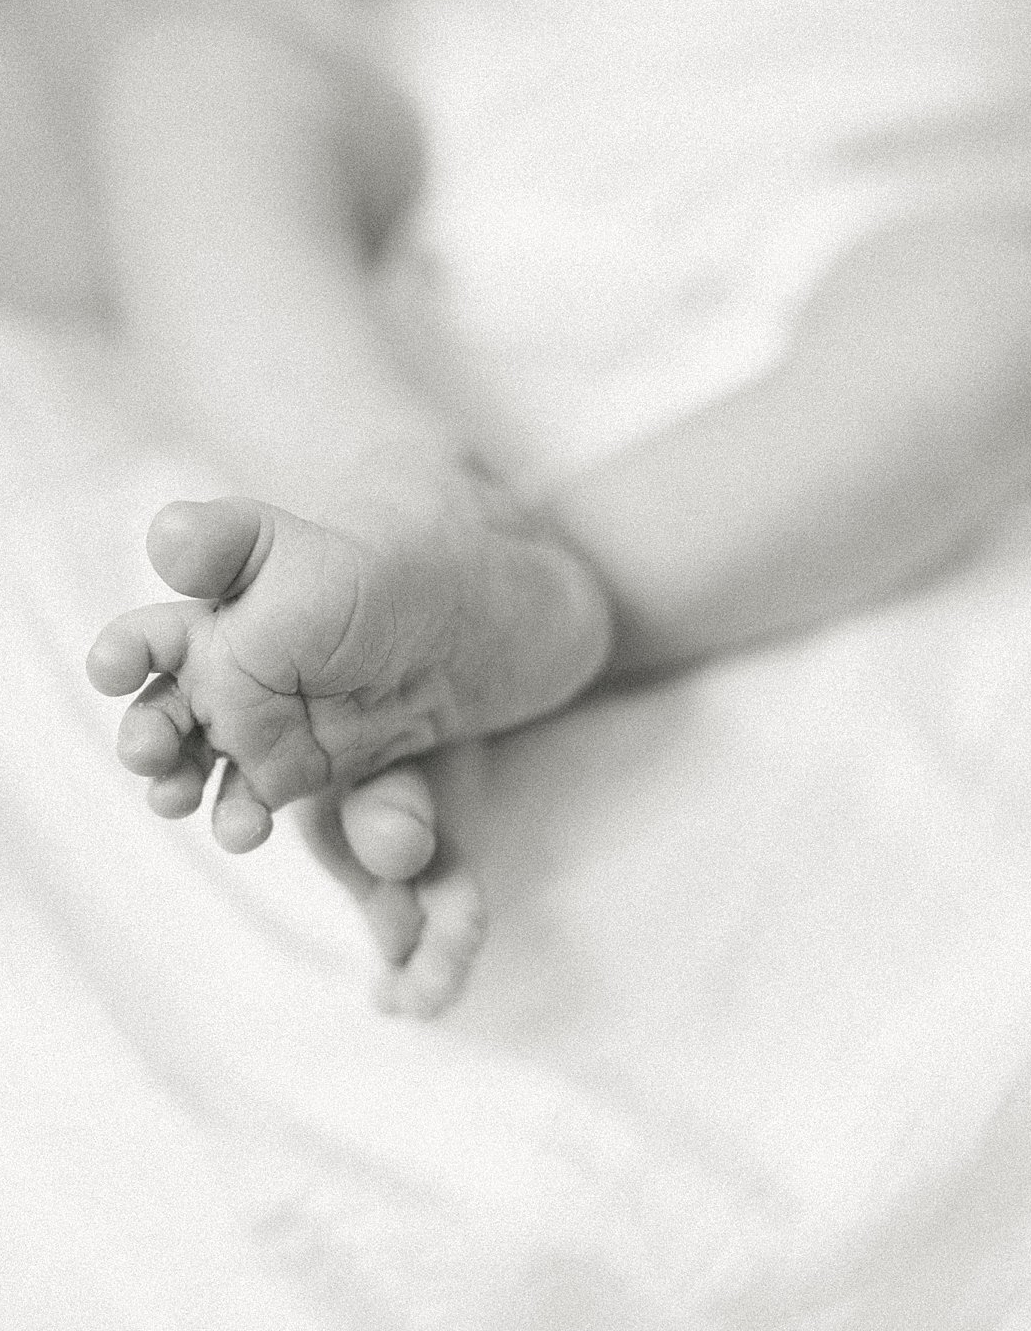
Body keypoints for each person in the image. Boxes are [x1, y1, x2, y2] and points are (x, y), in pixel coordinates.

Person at [86, 0, 1031, 1016]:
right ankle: (391, 489)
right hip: (470, 114)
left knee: (990, 311)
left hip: (894, 160)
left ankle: (525, 595)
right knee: (193, 76)